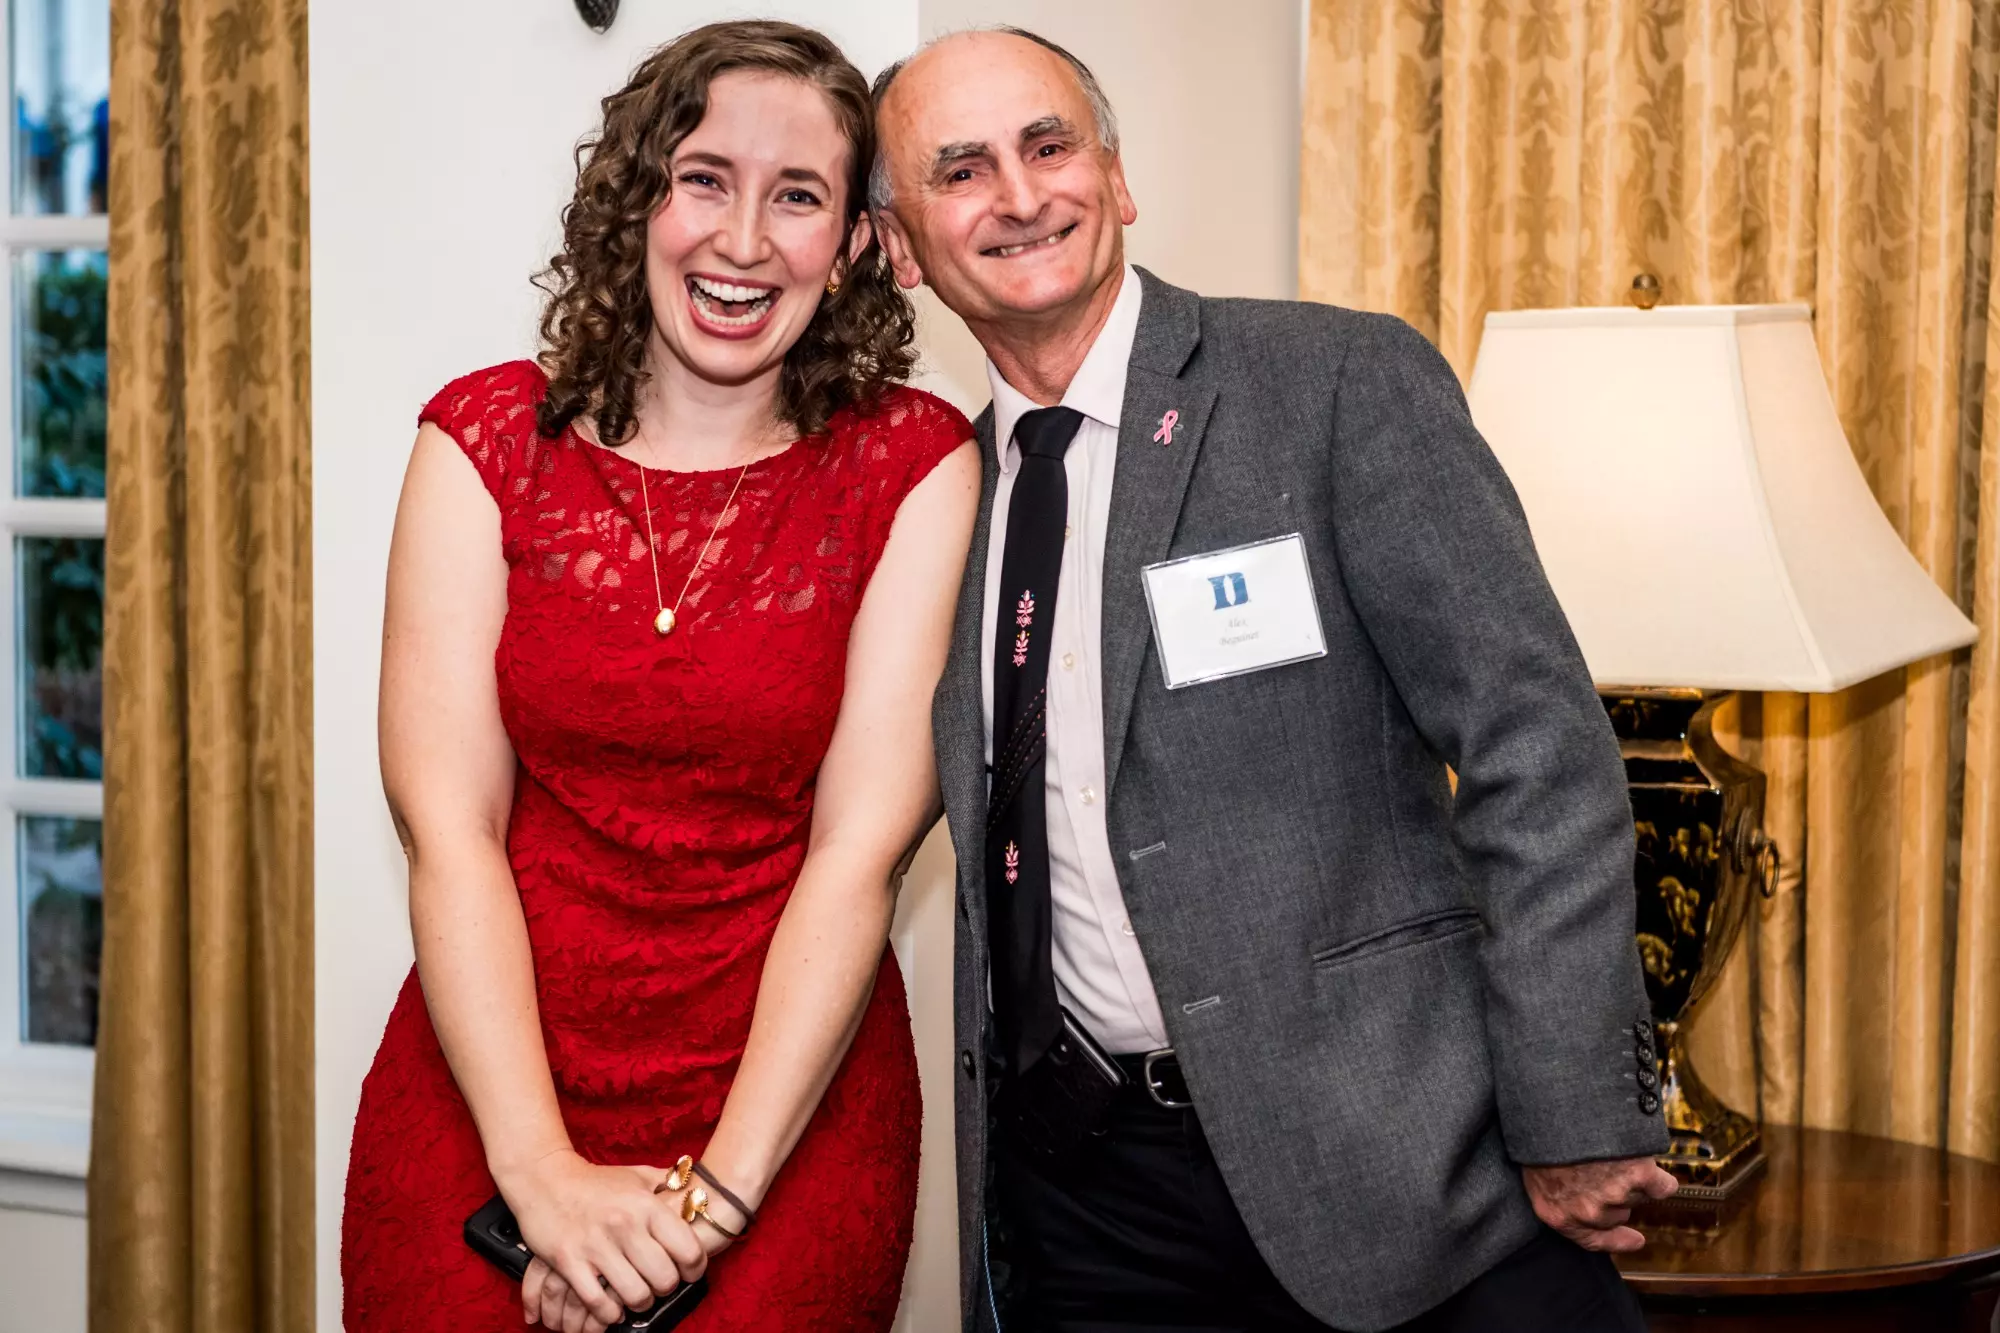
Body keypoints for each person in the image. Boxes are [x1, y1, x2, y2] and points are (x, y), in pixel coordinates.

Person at [869, 27, 1678, 1333]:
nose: (1019, 197)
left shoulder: (1334, 384)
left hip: (1408, 1168)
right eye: (960, 171)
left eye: (1048, 146)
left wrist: (1573, 1102)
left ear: (1116, 179)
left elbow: (1536, 744)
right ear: (903, 244)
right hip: (1088, 1210)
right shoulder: (941, 505)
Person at [341, 21, 978, 1333]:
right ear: (639, 196)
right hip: (492, 1088)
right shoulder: (480, 440)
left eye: (797, 196)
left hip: (785, 1117)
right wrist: (543, 1184)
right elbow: (448, 835)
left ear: (855, 242)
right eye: (704, 178)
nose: (742, 240)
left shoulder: (916, 466)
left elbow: (857, 860)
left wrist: (709, 1208)